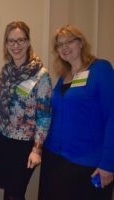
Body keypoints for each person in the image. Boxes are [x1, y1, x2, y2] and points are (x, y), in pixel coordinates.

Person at [38, 25, 114, 200]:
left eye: (69, 41)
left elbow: (112, 116)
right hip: (55, 159)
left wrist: (109, 164)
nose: (64, 47)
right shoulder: (64, 76)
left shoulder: (100, 69)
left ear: (80, 43)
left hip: (87, 162)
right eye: (59, 44)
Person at [0, 21, 52, 200]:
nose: (15, 45)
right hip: (4, 139)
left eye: (20, 40)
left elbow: (45, 115)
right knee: (8, 192)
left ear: (28, 42)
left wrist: (37, 149)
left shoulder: (41, 75)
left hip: (25, 145)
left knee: (15, 193)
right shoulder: (6, 71)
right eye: (11, 41)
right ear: (6, 44)